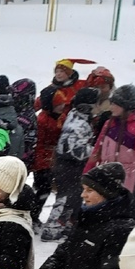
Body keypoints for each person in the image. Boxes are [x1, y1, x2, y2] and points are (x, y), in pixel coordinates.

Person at [40, 87, 101, 242]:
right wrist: (94, 151)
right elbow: (73, 149)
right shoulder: (78, 124)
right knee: (65, 199)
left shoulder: (78, 118)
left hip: (72, 167)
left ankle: (67, 225)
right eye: (95, 104)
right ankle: (52, 229)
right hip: (69, 166)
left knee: (74, 198)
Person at [34, 60, 87, 220]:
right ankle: (35, 215)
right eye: (57, 71)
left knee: (52, 189)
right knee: (43, 189)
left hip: (56, 158)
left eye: (62, 71)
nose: (59, 74)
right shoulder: (44, 119)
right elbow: (40, 143)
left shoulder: (62, 113)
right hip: (45, 159)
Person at [84, 84, 135, 198]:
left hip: (126, 177)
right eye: (112, 103)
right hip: (104, 172)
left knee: (118, 208)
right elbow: (98, 149)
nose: (111, 107)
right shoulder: (109, 123)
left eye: (115, 104)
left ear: (126, 106)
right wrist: (88, 171)